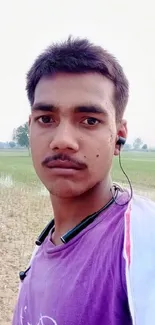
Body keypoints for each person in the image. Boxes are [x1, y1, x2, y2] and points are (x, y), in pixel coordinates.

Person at [12, 37, 155, 325]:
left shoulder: (143, 239)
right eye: (46, 119)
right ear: (30, 128)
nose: (62, 141)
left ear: (119, 136)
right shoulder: (42, 248)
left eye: (89, 120)